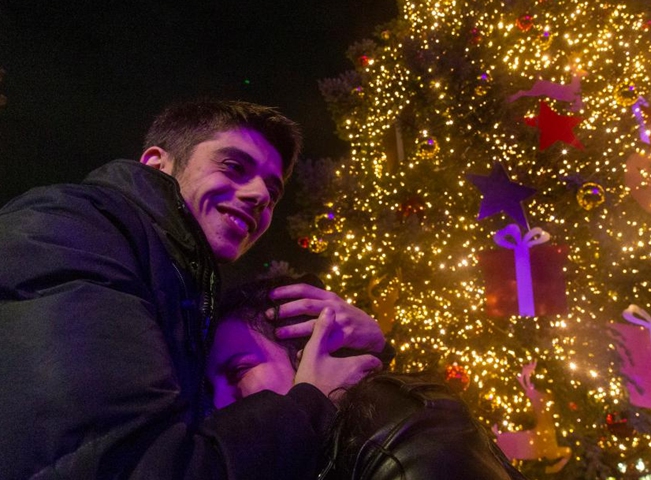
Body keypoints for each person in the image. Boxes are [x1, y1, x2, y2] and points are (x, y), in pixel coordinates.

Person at [0, 100, 386, 479]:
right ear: (157, 163)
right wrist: (309, 405)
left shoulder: (176, 291)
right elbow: (132, 463)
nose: (260, 197)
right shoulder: (73, 230)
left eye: (274, 191)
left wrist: (370, 348)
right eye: (234, 167)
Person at [207, 275, 527, 480]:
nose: (219, 401)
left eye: (238, 371)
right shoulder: (300, 449)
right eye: (209, 387)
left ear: (309, 348)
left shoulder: (401, 427)